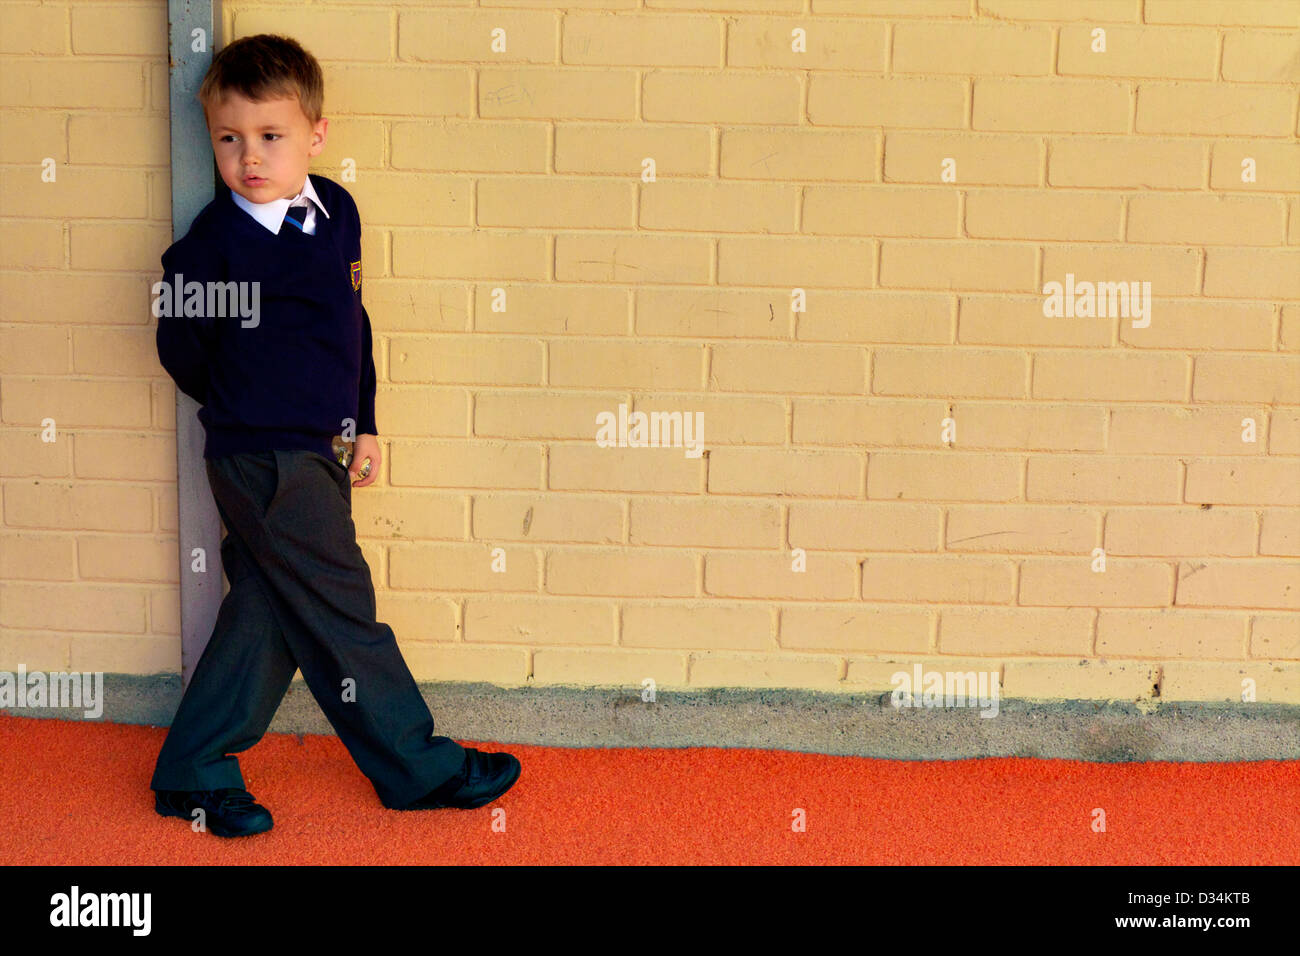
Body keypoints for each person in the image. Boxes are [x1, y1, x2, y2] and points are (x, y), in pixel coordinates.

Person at [150, 33, 520, 838]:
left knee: (270, 609)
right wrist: (247, 400)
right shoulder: (216, 245)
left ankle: (193, 769)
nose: (250, 157)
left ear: (315, 133)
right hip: (262, 458)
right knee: (344, 608)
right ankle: (417, 769)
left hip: (321, 449)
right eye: (228, 138)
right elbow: (178, 340)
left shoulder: (338, 214)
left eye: (270, 136)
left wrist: (369, 422)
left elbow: (352, 326)